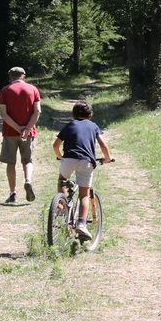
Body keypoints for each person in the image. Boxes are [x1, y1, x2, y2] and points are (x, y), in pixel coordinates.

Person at [53, 100, 112, 241]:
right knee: (84, 195)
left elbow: (56, 145)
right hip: (86, 161)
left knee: (62, 182)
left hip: (68, 159)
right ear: (90, 115)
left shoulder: (69, 125)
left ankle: (62, 207)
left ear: (73, 115)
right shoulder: (93, 126)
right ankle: (81, 223)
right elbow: (103, 145)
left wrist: (61, 157)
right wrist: (108, 158)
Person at [0, 66, 42, 204]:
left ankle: (13, 193)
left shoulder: (5, 90)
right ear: (24, 76)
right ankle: (28, 180)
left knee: (11, 163)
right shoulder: (33, 89)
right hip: (28, 133)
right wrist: (27, 128)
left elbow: (3, 114)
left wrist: (18, 128)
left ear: (10, 76)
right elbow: (38, 111)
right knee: (27, 160)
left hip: (10, 132)